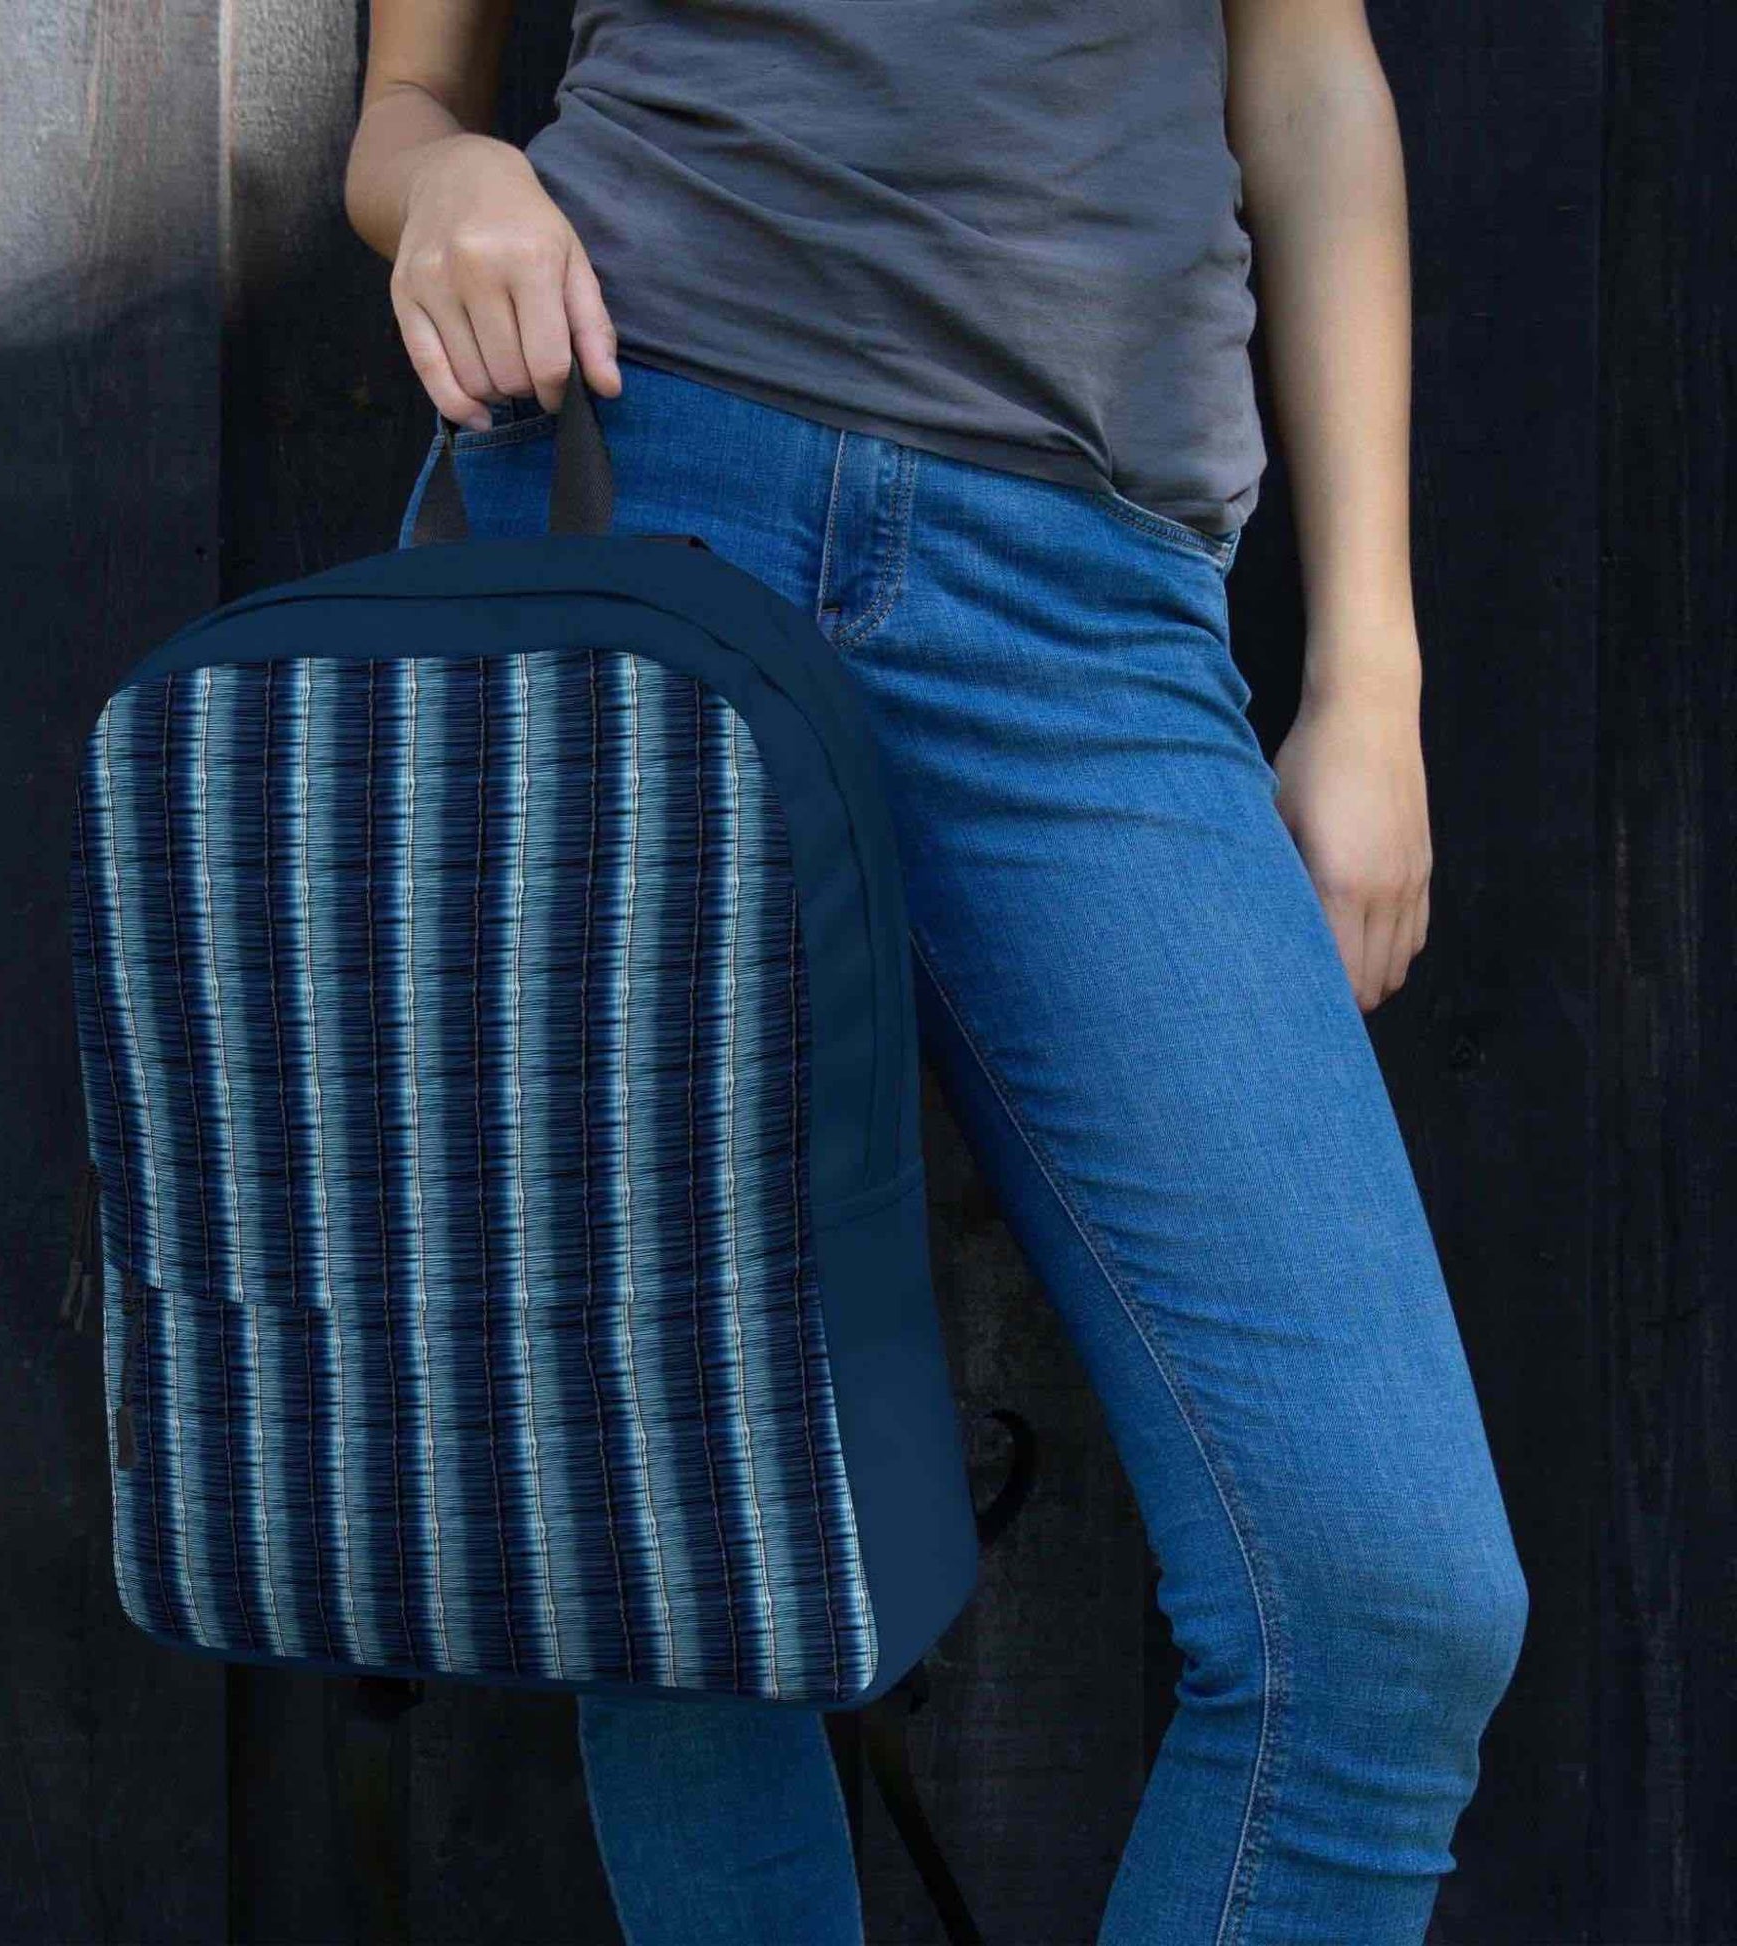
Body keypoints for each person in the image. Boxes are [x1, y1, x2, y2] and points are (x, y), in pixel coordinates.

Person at [344, 2, 1530, 1940]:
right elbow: (404, 110)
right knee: (679, 1560)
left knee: (1383, 1605)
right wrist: (448, 182)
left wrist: (1371, 676)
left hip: (1088, 618)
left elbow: (1312, 75)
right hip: (640, 486)